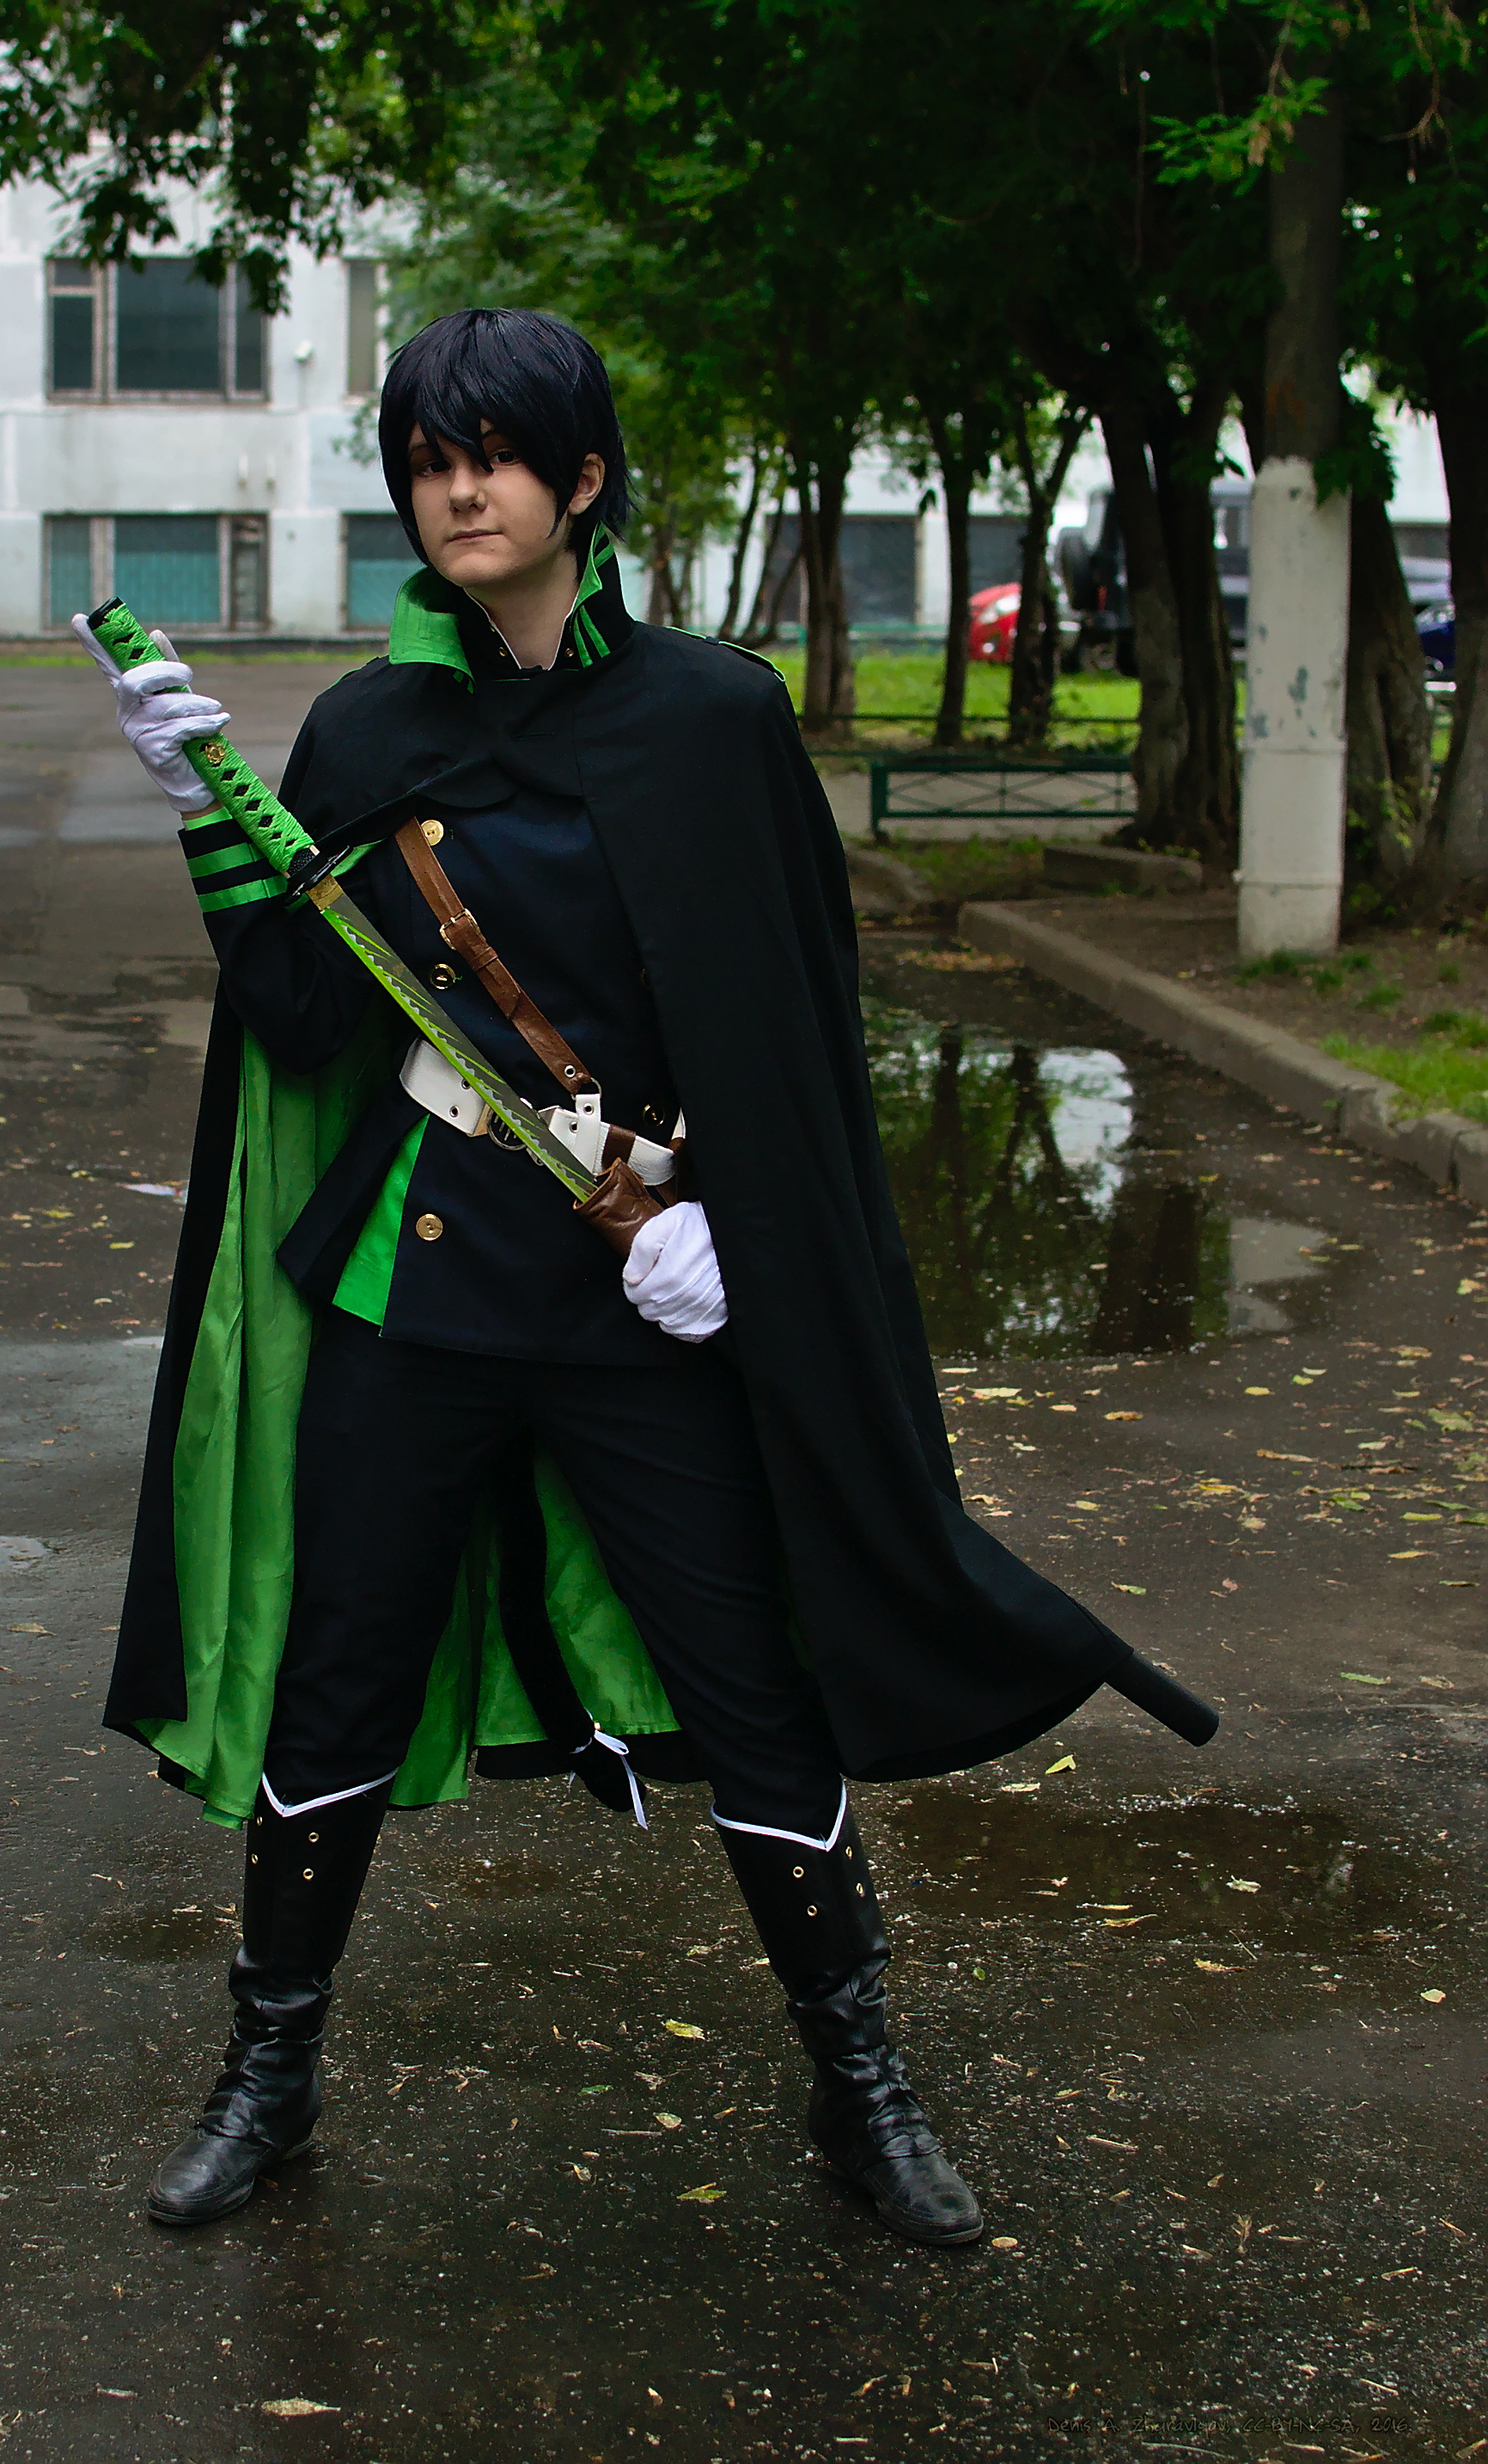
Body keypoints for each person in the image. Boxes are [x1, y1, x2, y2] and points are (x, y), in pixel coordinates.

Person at [79, 309, 1217, 2251]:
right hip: (420, 1279)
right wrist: (210, 814)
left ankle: (860, 2090)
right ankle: (266, 2077)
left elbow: (787, 1030)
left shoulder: (709, 718)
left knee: (752, 1691)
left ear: (582, 478)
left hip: (641, 1292)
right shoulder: (366, 729)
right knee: (337, 1680)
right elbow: (301, 1011)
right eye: (430, 458)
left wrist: (732, 1233)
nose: (460, 488)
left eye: (498, 454)